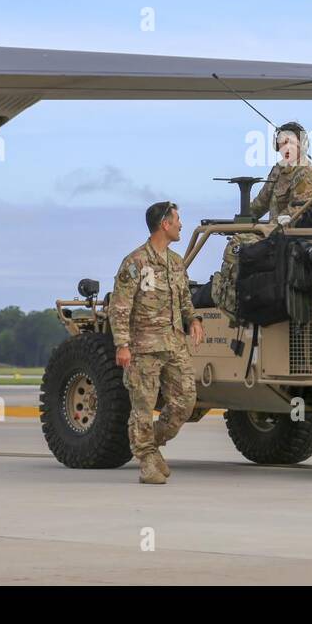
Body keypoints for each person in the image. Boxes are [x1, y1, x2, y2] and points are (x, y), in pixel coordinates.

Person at [110, 201, 205, 484]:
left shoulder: (176, 262)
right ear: (165, 224)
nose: (181, 225)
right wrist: (122, 345)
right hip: (144, 348)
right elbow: (120, 307)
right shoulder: (135, 262)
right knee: (143, 405)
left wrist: (194, 320)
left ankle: (149, 442)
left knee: (185, 401)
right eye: (177, 220)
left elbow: (185, 299)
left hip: (175, 344)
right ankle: (147, 460)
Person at [249, 122, 312, 223]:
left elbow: (297, 210)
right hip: (274, 233)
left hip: (292, 233)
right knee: (238, 238)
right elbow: (261, 203)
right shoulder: (278, 169)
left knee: (242, 239)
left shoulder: (306, 172)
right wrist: (244, 217)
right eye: (283, 143)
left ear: (301, 144)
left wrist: (270, 227)